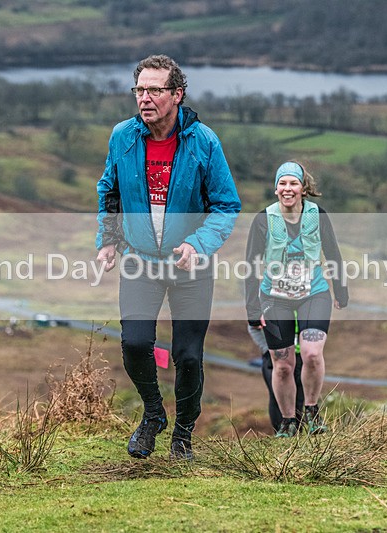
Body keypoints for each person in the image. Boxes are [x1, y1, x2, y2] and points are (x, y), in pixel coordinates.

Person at [96, 55, 241, 460]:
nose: (145, 98)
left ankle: (183, 434)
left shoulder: (204, 142)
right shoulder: (122, 136)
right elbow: (109, 190)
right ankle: (154, 415)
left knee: (188, 355)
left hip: (191, 265)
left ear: (177, 94)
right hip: (140, 259)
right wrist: (108, 238)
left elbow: (226, 205)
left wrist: (198, 243)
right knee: (135, 342)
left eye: (155, 90)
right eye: (140, 90)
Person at [245, 161, 348, 437]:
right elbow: (252, 264)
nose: (287, 188)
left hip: (313, 292)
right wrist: (252, 309)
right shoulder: (263, 219)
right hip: (274, 296)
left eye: (293, 183)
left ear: (303, 188)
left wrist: (340, 289)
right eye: (282, 183)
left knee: (312, 355)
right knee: (282, 365)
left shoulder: (318, 215)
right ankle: (288, 421)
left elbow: (333, 253)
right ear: (276, 188)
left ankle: (312, 412)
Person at [247, 322, 304, 432]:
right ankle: (280, 430)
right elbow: (253, 328)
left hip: (299, 358)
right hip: (274, 360)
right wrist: (268, 351)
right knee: (277, 396)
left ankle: (297, 431)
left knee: (299, 396)